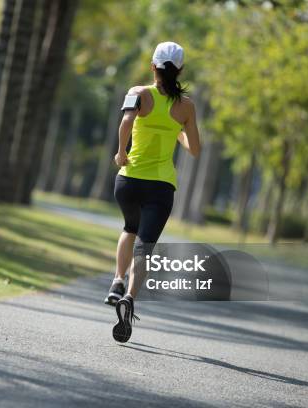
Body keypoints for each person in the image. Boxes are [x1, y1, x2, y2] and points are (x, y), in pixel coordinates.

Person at [105, 42, 201, 343]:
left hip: (129, 180)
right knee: (145, 246)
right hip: (161, 186)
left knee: (129, 228)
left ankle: (117, 281)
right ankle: (130, 298)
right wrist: (180, 131)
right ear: (180, 70)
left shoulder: (139, 92)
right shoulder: (186, 106)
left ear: (153, 67)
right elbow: (195, 149)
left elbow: (126, 121)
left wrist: (121, 153)